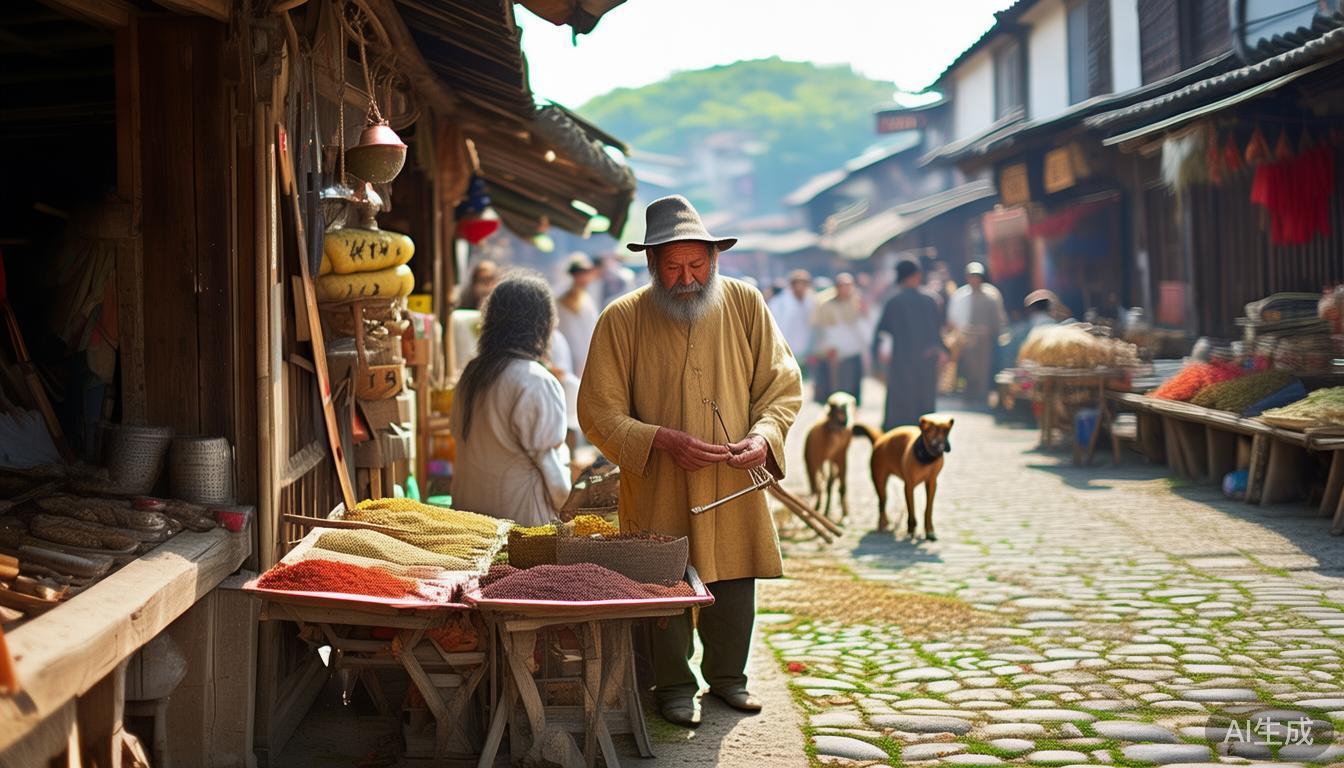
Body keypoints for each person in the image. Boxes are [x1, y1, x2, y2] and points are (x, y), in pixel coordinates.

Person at [579, 195, 802, 728]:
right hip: (660, 483)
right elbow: (598, 410)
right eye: (674, 267)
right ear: (652, 264)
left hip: (732, 477)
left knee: (733, 577)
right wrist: (658, 438)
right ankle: (673, 686)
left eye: (697, 265)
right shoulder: (621, 318)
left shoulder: (746, 303)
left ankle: (730, 680)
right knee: (664, 582)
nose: (687, 278)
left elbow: (782, 384)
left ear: (714, 260)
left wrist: (764, 437)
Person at [449, 274, 571, 526]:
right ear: (542, 324)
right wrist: (573, 511)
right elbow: (554, 477)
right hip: (520, 528)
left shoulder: (471, 373)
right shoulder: (535, 380)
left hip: (468, 524)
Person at [873, 260, 946, 432]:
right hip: (925, 360)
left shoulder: (893, 302)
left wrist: (882, 356)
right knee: (924, 400)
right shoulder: (930, 300)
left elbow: (882, 333)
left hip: (901, 361)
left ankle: (897, 434)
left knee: (900, 402)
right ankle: (927, 433)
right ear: (915, 276)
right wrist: (940, 350)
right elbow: (936, 331)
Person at [946, 262, 1008, 404]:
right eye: (972, 276)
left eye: (977, 276)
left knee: (984, 368)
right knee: (967, 368)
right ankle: (969, 395)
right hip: (965, 338)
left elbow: (997, 319)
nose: (974, 280)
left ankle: (982, 396)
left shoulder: (991, 296)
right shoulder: (960, 296)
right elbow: (953, 319)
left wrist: (993, 334)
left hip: (985, 340)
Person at [809, 272, 868, 405]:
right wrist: (826, 348)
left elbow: (860, 327)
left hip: (852, 352)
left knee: (852, 391)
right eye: (842, 285)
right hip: (833, 352)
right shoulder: (825, 304)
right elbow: (822, 330)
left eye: (848, 285)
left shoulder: (855, 302)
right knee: (835, 391)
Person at [556, 253, 601, 378]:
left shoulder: (586, 298)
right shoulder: (564, 301)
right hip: (571, 358)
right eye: (582, 273)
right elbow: (572, 335)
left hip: (585, 356)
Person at [766, 269, 814, 368]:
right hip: (784, 348)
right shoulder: (779, 302)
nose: (802, 287)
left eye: (804, 283)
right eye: (799, 283)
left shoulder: (811, 300)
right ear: (793, 285)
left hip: (806, 349)